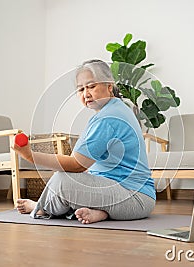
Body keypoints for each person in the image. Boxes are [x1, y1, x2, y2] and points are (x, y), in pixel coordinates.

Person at [12, 59, 156, 224]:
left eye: (91, 86)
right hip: (120, 192)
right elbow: (79, 164)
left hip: (135, 198)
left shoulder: (107, 118)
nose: (86, 93)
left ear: (109, 86)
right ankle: (102, 212)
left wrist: (30, 156)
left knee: (61, 182)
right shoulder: (114, 109)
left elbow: (77, 165)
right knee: (71, 178)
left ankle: (41, 207)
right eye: (80, 89)